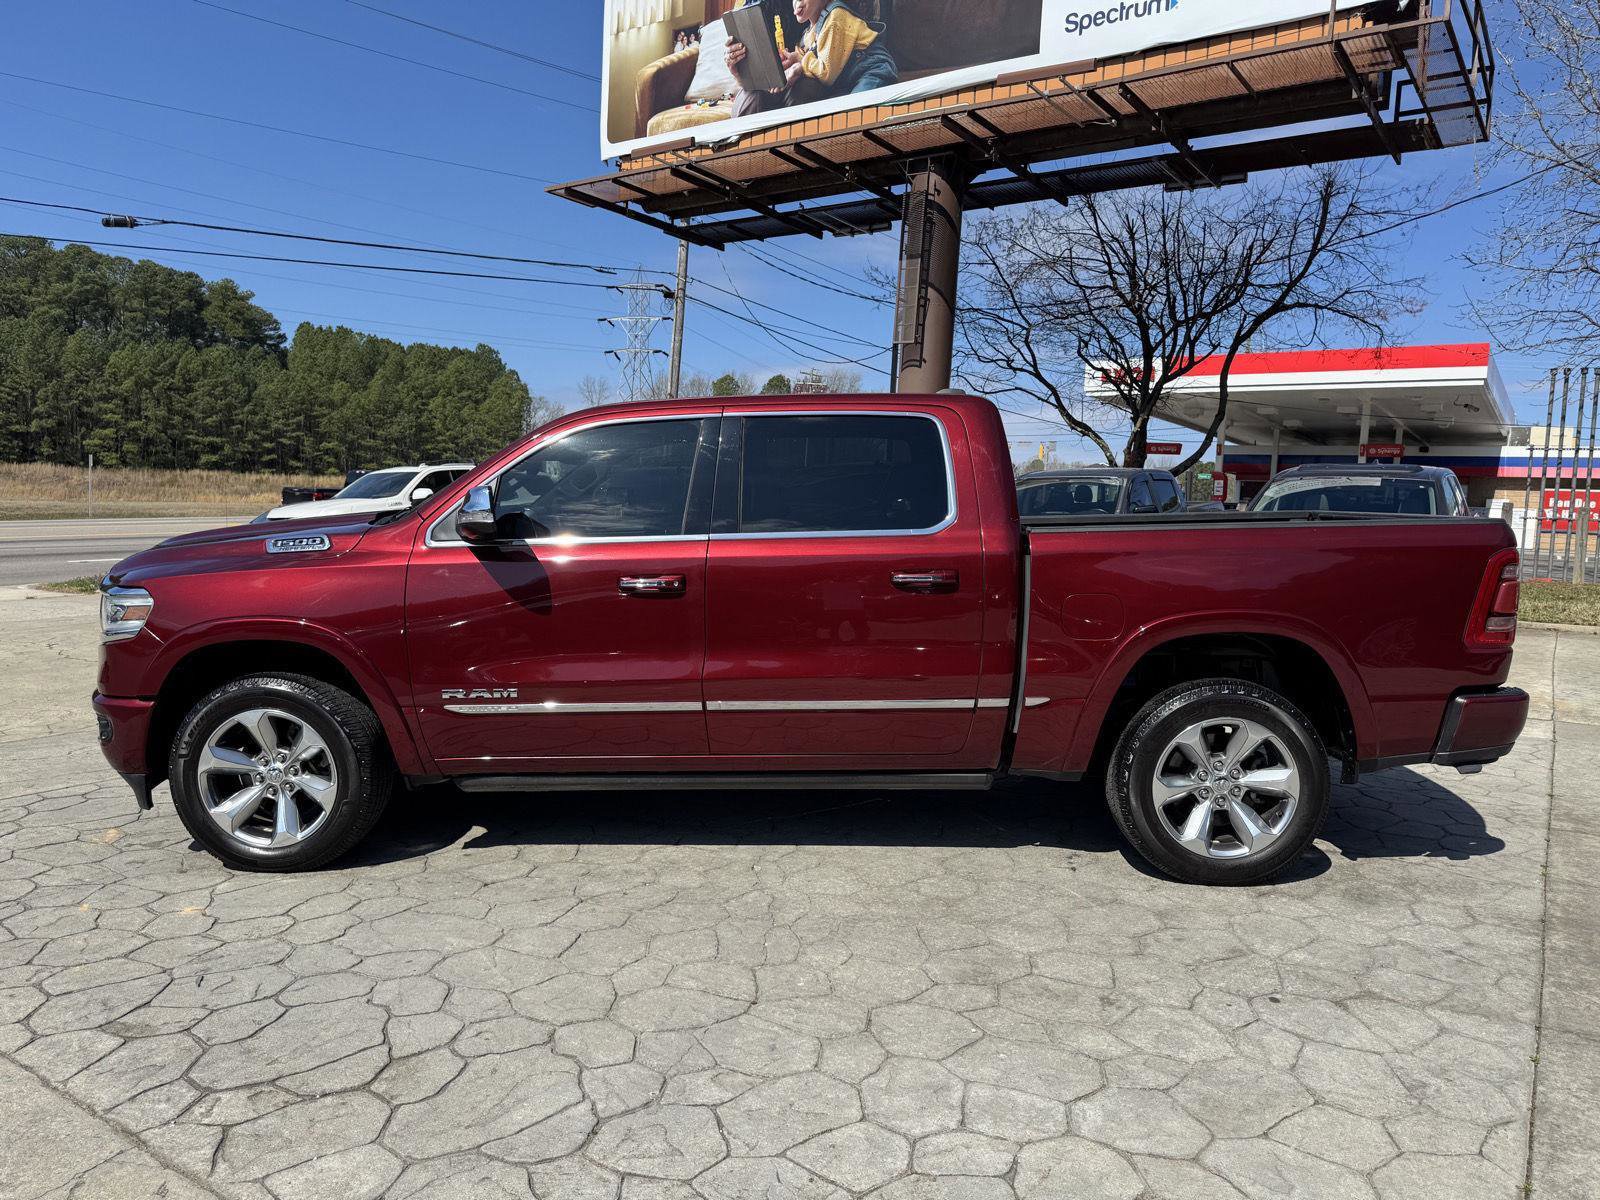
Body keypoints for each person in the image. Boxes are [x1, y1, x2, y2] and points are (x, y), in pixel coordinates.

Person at [726, 0, 897, 118]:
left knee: (857, 111)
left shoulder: (836, 16)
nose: (797, 2)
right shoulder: (809, 32)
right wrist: (794, 58)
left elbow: (826, 71)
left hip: (872, 70)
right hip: (846, 79)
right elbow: (814, 53)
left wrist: (800, 66)